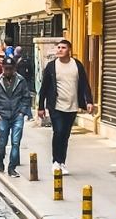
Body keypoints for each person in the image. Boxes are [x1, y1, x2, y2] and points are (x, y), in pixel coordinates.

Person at [38, 39, 94, 175]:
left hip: (72, 105)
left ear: (69, 50)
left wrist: (89, 101)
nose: (60, 50)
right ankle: (55, 162)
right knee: (58, 131)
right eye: (58, 47)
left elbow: (84, 84)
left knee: (65, 135)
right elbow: (44, 88)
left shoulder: (77, 65)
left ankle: (62, 162)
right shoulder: (51, 66)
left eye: (63, 47)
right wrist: (41, 107)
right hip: (56, 105)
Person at [0, 57, 31, 177]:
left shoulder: (20, 80)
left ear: (14, 69)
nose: (8, 71)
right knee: (2, 140)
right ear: (2, 68)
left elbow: (26, 97)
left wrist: (22, 112)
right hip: (2, 115)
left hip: (16, 115)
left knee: (16, 142)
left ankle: (12, 167)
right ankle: (0, 158)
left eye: (10, 69)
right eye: (5, 68)